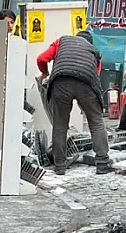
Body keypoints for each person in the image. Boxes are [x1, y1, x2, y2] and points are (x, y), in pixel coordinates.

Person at [37, 31, 111, 175]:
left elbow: (41, 58)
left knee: (60, 125)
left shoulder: (61, 41)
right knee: (96, 122)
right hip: (87, 83)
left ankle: (60, 166)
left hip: (61, 81)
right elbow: (94, 77)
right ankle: (102, 163)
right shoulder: (94, 52)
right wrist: (86, 106)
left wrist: (44, 72)